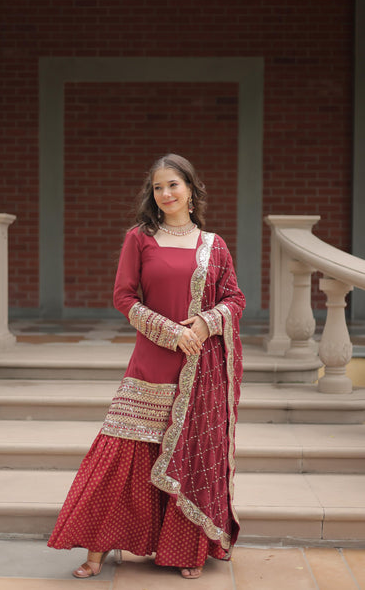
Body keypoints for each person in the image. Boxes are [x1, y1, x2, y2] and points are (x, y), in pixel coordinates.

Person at [48, 153, 245, 580]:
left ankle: (186, 550)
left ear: (191, 190)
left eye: (173, 184)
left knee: (190, 455)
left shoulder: (214, 245)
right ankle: (96, 552)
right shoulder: (140, 237)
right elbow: (124, 297)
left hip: (198, 367)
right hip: (152, 359)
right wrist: (171, 331)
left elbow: (234, 299)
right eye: (158, 187)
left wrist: (207, 323)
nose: (165, 193)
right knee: (120, 452)